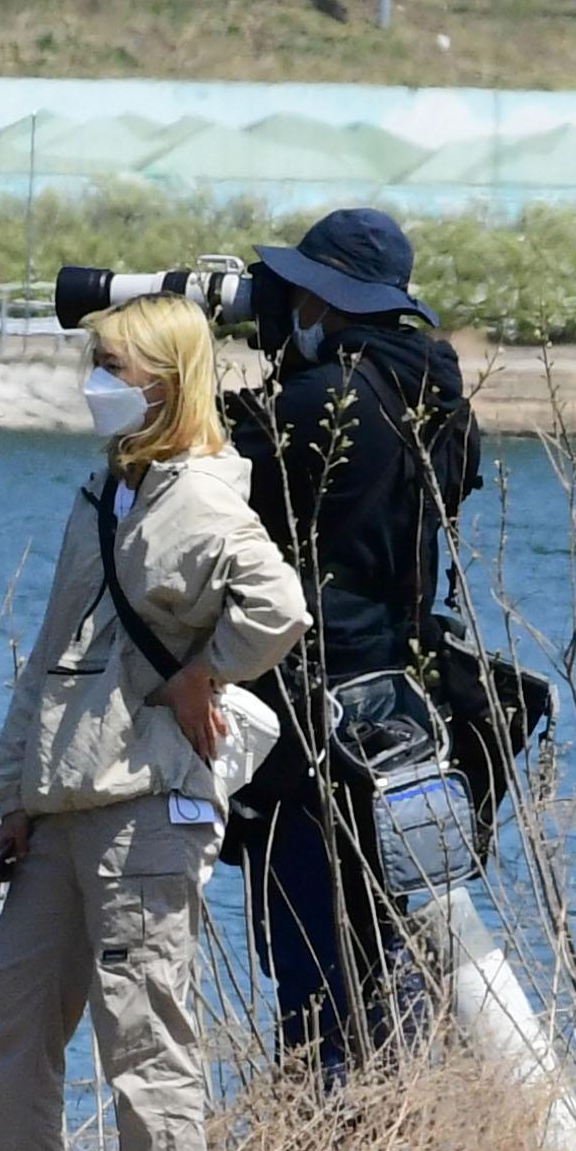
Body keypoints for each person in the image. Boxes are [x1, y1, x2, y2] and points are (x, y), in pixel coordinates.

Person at [0, 296, 307, 1151]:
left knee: (144, 1025)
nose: (94, 378)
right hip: (60, 807)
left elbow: (278, 607)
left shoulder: (203, 499)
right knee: (10, 1023)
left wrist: (203, 674)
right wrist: (17, 795)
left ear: (163, 378)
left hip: (142, 806)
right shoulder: (107, 488)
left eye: (112, 363)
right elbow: (50, 655)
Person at [226, 206, 481, 1085]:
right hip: (403, 705)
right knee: (382, 945)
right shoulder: (434, 391)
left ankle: (330, 1132)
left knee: (313, 951)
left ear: (323, 301)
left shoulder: (323, 400)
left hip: (315, 711)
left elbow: (220, 494)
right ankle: (388, 1123)